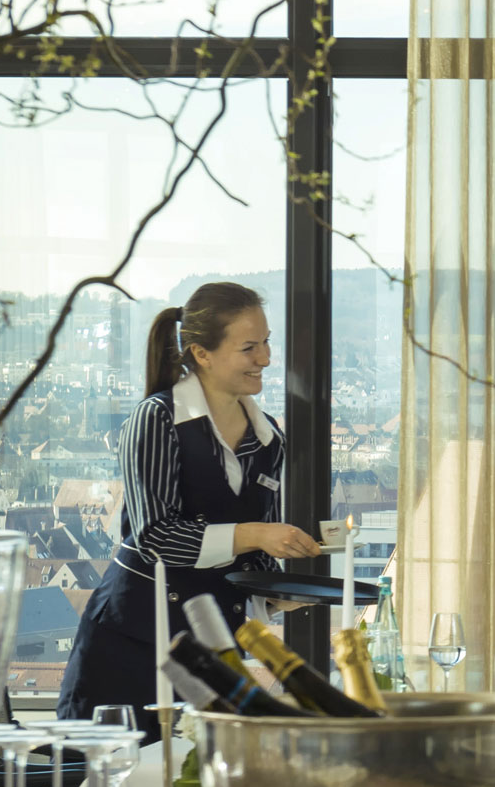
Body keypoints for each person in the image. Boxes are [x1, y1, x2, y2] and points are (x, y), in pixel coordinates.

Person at [55, 281, 325, 731]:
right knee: (103, 785)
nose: (266, 359)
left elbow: (251, 558)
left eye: (267, 343)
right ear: (202, 353)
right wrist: (255, 534)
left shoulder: (268, 436)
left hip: (215, 656)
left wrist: (276, 597)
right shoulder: (157, 419)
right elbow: (156, 538)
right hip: (133, 646)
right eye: (249, 347)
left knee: (200, 786)